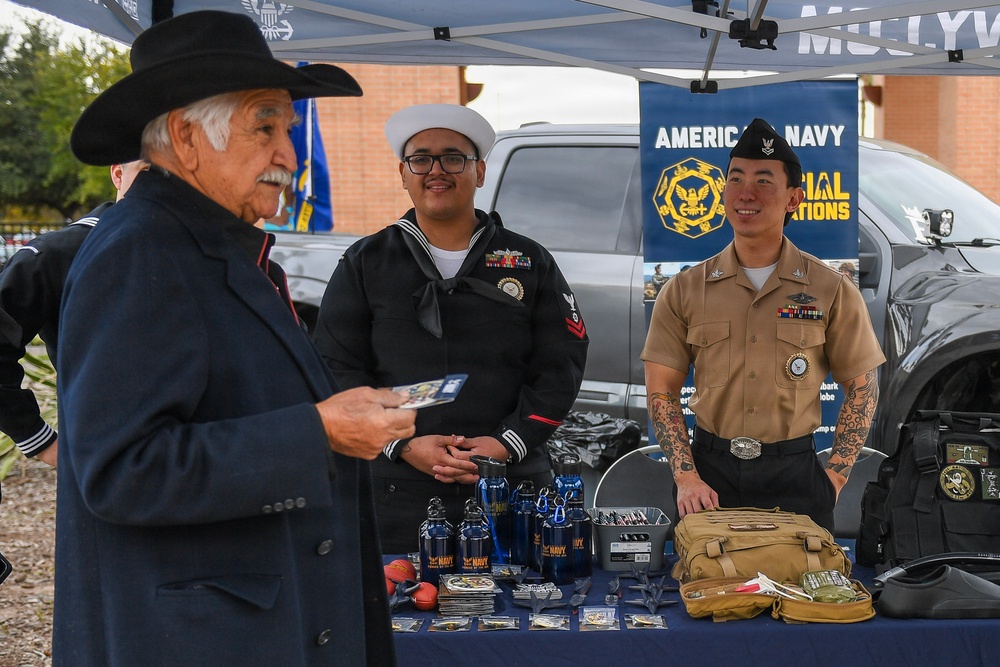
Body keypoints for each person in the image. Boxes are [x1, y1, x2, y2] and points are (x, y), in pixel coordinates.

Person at [55, 11, 415, 666]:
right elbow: (120, 472)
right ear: (187, 137)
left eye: (289, 130)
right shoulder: (140, 252)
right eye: (264, 127)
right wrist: (320, 432)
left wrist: (341, 414)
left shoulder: (220, 248)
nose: (289, 156)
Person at [312, 104, 589, 554]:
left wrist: (505, 444)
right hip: (396, 490)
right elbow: (336, 366)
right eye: (421, 159)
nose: (436, 170)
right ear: (403, 174)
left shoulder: (529, 261)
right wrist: (402, 444)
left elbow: (562, 363)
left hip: (511, 487)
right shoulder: (365, 262)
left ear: (479, 172)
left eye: (453, 158)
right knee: (397, 598)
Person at [641, 118, 885, 533]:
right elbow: (661, 390)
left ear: (794, 199)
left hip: (795, 478)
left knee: (806, 578)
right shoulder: (683, 289)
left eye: (764, 181)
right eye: (735, 179)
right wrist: (686, 477)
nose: (746, 193)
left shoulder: (831, 289)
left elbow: (863, 388)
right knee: (706, 577)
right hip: (709, 481)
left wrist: (834, 478)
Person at [0, 160, 147, 468]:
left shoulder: (207, 254)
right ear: (118, 174)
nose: (165, 186)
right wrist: (41, 441)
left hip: (205, 472)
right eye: (149, 172)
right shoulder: (59, 254)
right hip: (105, 472)